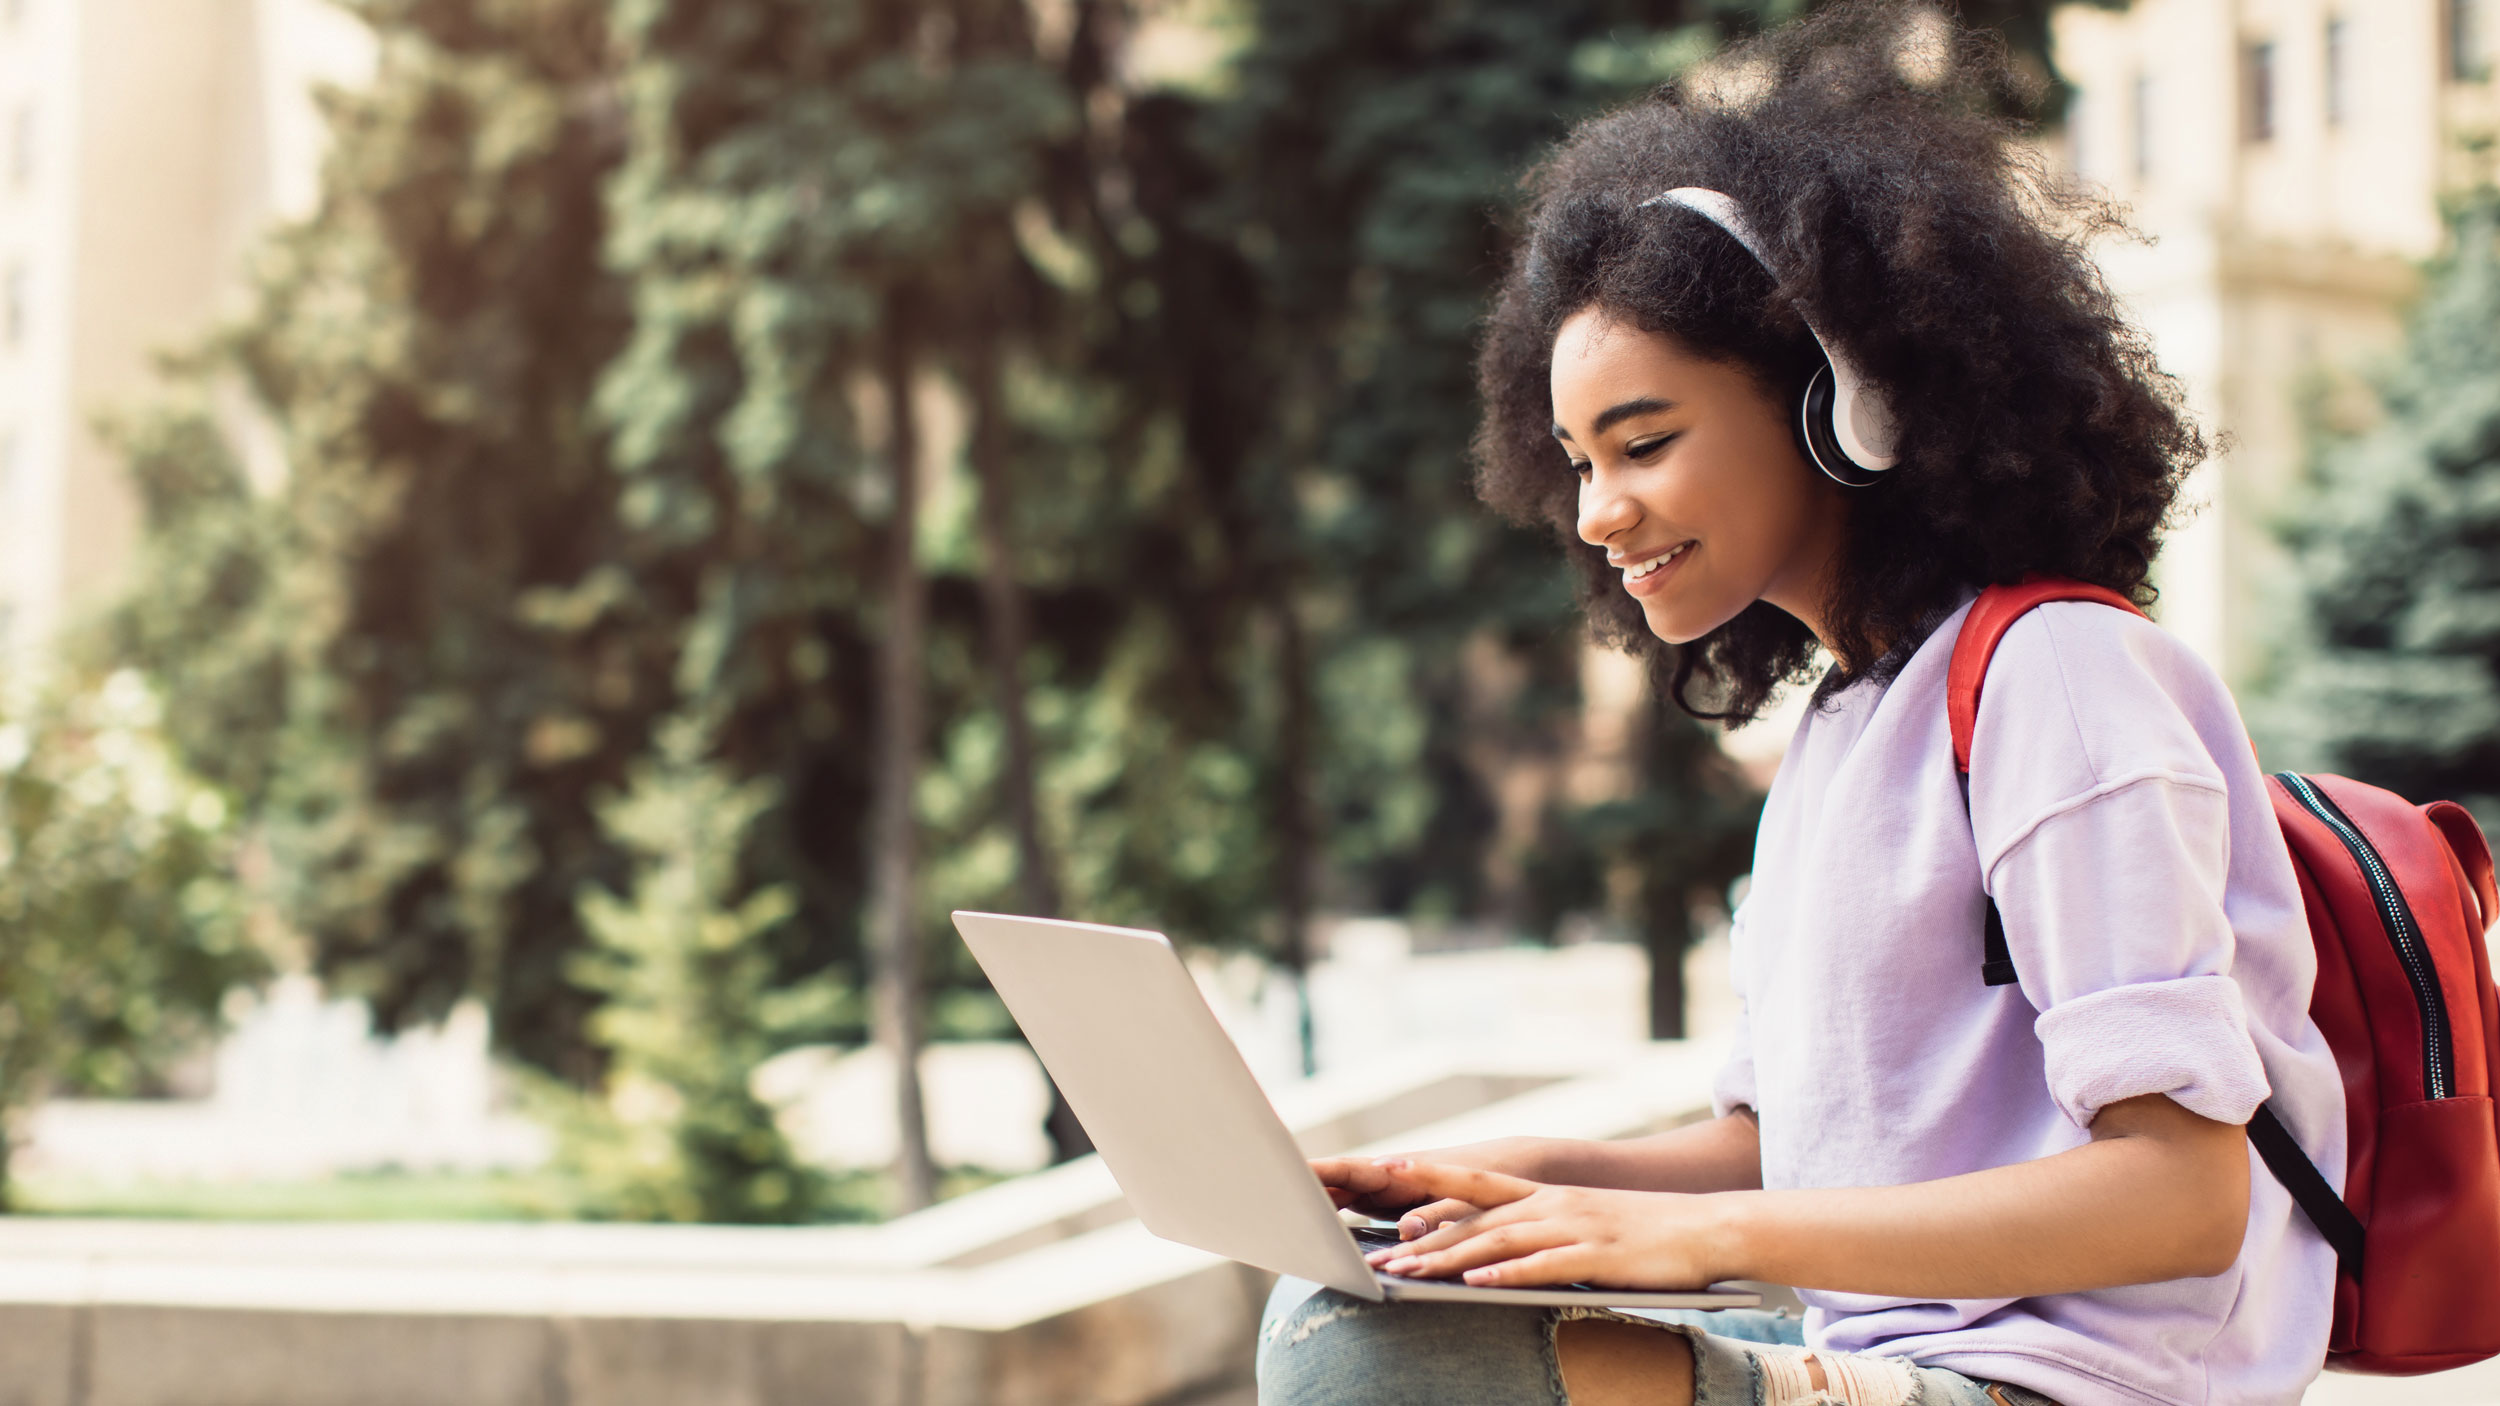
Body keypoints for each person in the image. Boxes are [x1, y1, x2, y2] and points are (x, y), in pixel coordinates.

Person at [1253, 5, 2344, 1405]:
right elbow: (1789, 1157)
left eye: (1644, 442)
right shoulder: (1837, 737)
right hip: (1898, 1355)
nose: (1598, 512)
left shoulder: (2061, 678)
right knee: (1349, 1294)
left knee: (1381, 1365)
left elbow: (2180, 1195)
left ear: (1844, 403)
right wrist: (1499, 1184)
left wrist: (1695, 1237)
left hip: (2076, 1384)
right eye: (1577, 460)